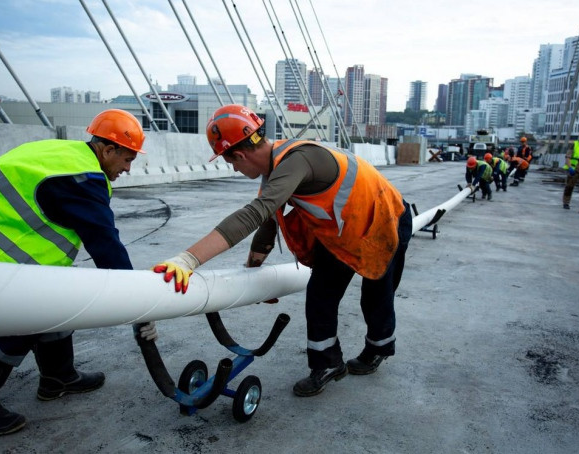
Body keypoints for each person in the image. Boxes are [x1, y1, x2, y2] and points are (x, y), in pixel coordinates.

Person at [152, 104, 412, 398]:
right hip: (344, 232)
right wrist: (253, 268)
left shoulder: (297, 160)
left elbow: (256, 212)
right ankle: (328, 364)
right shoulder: (276, 169)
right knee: (320, 295)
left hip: (384, 220)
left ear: (239, 154)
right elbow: (269, 216)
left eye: (232, 164)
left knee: (377, 294)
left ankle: (377, 349)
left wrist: (188, 259)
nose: (236, 169)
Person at [0, 109, 146, 435]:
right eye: (127, 159)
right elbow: (106, 246)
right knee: (22, 313)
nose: (128, 168)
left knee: (52, 297)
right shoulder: (83, 179)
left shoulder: (66, 155)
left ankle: (58, 376)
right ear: (107, 149)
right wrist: (140, 301)